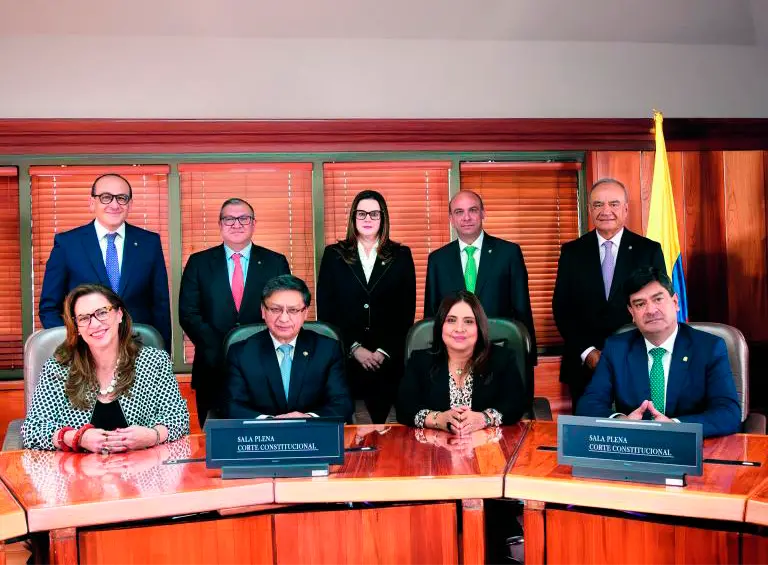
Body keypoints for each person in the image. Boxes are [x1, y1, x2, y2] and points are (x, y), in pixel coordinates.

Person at [22, 284, 190, 452]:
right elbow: (32, 429)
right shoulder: (59, 368)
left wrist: (153, 436)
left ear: (119, 314)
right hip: (77, 473)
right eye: (83, 318)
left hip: (142, 470)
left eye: (102, 312)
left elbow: (178, 417)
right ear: (77, 328)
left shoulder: (154, 362)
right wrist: (77, 438)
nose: (94, 324)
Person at [576, 267, 741, 438]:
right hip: (635, 447)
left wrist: (676, 426)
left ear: (675, 303)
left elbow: (728, 413)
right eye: (640, 304)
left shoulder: (709, 347)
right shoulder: (617, 348)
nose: (651, 310)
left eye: (658, 299)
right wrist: (621, 420)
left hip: (691, 447)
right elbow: (589, 404)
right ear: (632, 313)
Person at [553, 178, 666, 408]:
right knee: (589, 438)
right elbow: (562, 309)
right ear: (589, 209)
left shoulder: (648, 250)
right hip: (585, 365)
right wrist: (588, 351)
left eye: (614, 204)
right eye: (598, 205)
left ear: (625, 209)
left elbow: (657, 307)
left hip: (636, 360)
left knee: (637, 434)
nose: (606, 211)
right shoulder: (572, 252)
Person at [179, 198, 290, 426]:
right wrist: (223, 350)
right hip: (212, 366)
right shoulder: (199, 262)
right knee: (215, 442)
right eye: (229, 219)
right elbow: (188, 314)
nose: (236, 224)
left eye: (243, 218)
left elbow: (284, 311)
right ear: (220, 224)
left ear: (253, 223)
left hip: (265, 366)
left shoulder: (275, 262)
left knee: (264, 435)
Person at [39, 173, 172, 350]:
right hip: (85, 353)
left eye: (122, 198)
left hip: (139, 349)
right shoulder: (68, 244)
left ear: (130, 204)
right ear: (92, 202)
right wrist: (72, 345)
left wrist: (162, 353)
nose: (114, 204)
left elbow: (160, 306)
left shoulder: (149, 243)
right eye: (106, 197)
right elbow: (49, 307)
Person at [317, 190, 416, 423]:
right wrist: (353, 347)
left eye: (374, 214)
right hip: (347, 357)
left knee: (388, 433)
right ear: (353, 218)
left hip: (388, 359)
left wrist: (384, 351)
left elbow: (406, 311)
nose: (368, 219)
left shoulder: (401, 255)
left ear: (383, 218)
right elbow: (327, 310)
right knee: (348, 431)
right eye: (361, 214)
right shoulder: (334, 255)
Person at [424, 190, 536, 366]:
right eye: (459, 212)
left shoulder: (509, 253)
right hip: (453, 357)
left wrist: (528, 359)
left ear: (483, 213)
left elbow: (522, 310)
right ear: (451, 219)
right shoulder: (437, 259)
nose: (466, 217)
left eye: (473, 210)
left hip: (500, 353)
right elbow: (431, 315)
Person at [222, 275, 353, 421]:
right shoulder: (241, 353)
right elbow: (231, 405)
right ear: (263, 311)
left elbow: (342, 403)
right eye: (275, 309)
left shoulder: (327, 349)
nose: (284, 319)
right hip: (261, 437)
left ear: (305, 312)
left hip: (313, 436)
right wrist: (270, 422)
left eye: (293, 310)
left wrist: (308, 418)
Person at [396, 291, 527, 432]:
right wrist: (437, 419)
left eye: (469, 321)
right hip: (434, 447)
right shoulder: (420, 361)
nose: (459, 329)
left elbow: (516, 404)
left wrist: (484, 419)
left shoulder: (502, 359)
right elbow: (404, 408)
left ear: (479, 327)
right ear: (441, 326)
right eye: (451, 320)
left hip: (488, 447)